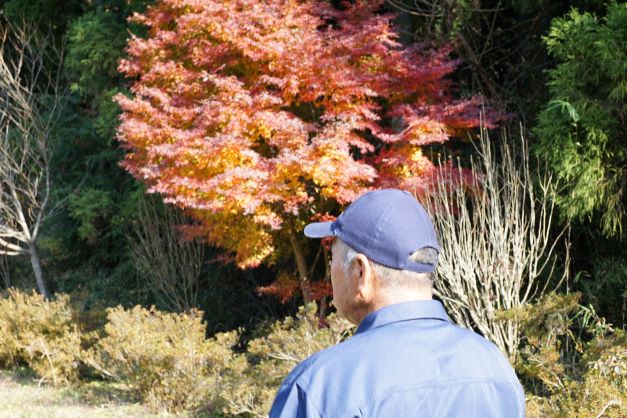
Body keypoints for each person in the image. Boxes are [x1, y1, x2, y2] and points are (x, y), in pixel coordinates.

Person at [269, 188, 525, 417]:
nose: (330, 269)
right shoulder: (496, 370)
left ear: (361, 272)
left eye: (333, 255)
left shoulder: (320, 387)